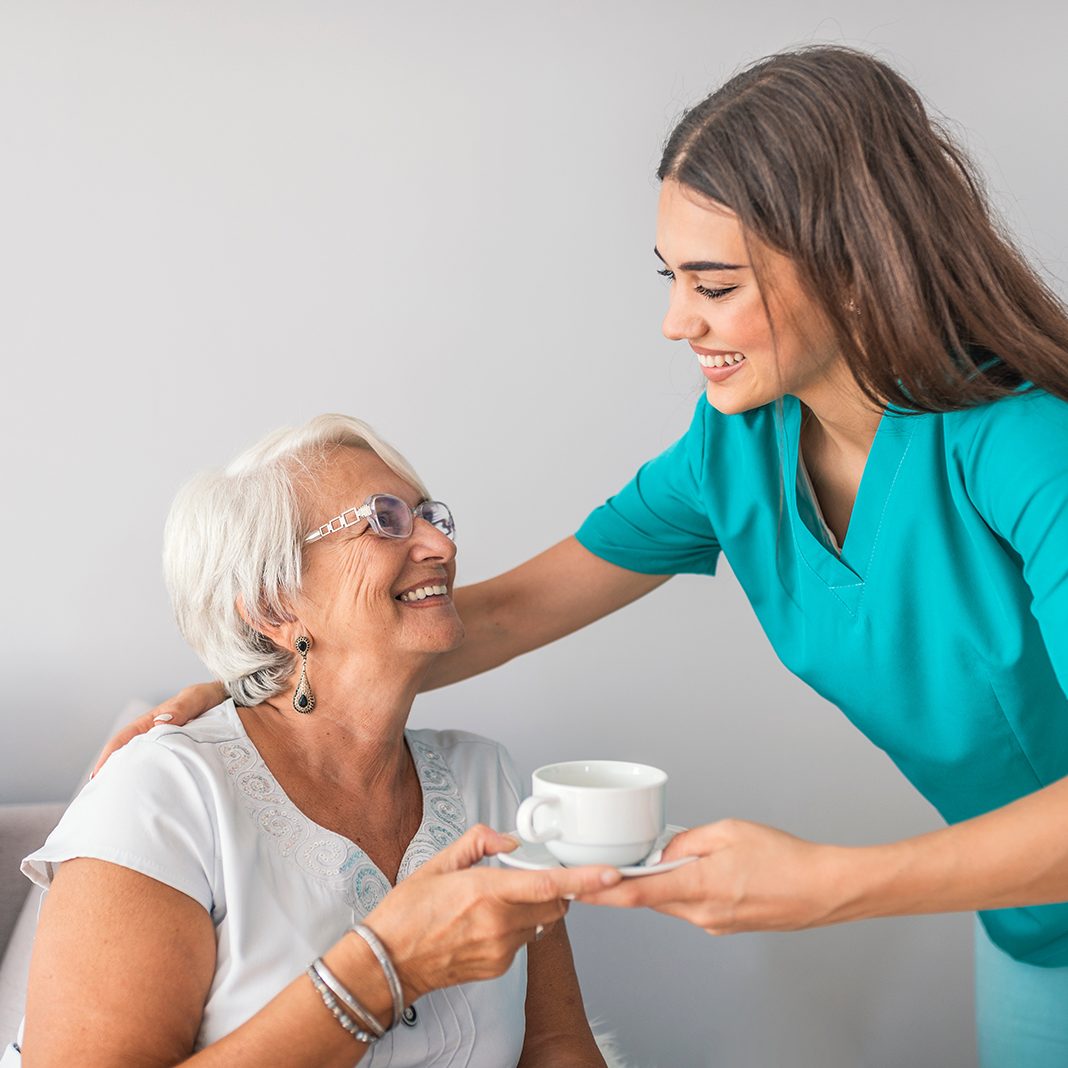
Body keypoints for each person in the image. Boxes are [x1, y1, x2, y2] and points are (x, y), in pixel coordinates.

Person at [96, 46, 1068, 1064]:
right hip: (1031, 923)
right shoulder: (736, 448)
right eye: (672, 279)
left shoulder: (1026, 448)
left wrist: (829, 885)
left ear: (854, 264)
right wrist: (262, 683)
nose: (675, 321)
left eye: (716, 284)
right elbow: (509, 613)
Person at [8, 414, 621, 1067]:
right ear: (274, 605)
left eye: (430, 516)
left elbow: (556, 1045)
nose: (440, 547)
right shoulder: (163, 796)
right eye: (384, 519)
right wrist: (383, 971)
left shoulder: (484, 777)